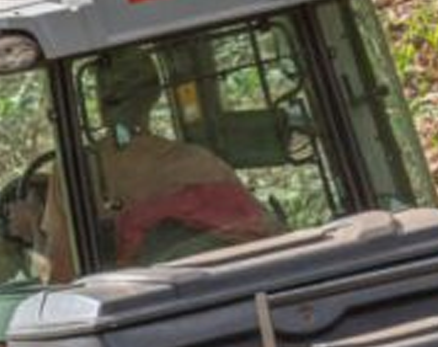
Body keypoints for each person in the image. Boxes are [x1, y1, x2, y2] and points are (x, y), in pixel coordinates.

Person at [42, 42, 275, 274]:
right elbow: (264, 240)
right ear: (155, 94)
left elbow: (62, 267)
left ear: (98, 101)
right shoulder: (199, 163)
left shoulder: (73, 173)